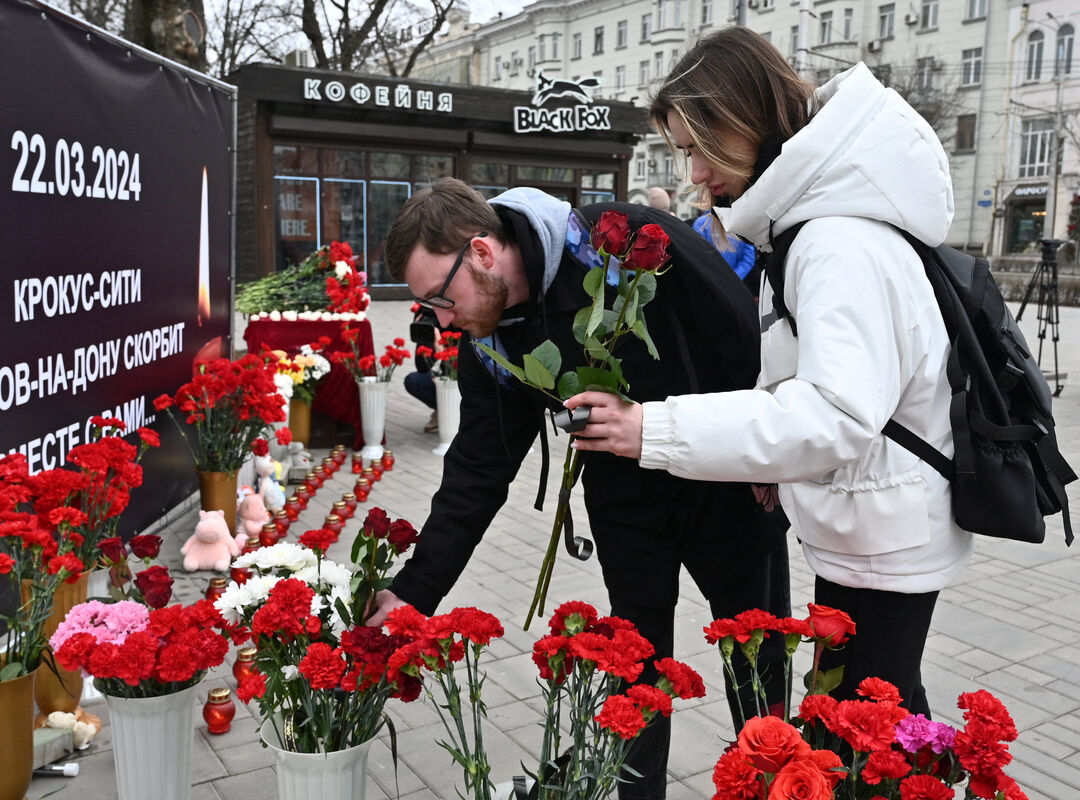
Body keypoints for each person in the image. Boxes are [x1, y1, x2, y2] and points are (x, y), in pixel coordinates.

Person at [565, 27, 973, 718]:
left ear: (741, 120)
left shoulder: (834, 238)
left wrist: (650, 429)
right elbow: (814, 379)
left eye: (695, 148)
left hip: (880, 535)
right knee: (887, 728)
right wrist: (774, 464)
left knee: (862, 744)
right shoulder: (815, 221)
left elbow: (834, 415)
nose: (692, 173)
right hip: (871, 521)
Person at [367, 177, 791, 800]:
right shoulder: (490, 340)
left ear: (481, 253)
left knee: (756, 659)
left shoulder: (620, 241)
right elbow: (477, 472)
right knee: (635, 674)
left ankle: (780, 785)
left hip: (725, 482)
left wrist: (766, 455)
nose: (437, 318)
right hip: (627, 501)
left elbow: (741, 327)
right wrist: (414, 592)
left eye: (438, 297)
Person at [405, 303, 439, 432]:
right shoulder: (425, 312)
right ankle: (442, 410)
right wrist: (424, 339)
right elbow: (422, 367)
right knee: (413, 381)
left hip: (459, 377)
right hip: (437, 376)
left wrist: (442, 348)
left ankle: (457, 411)